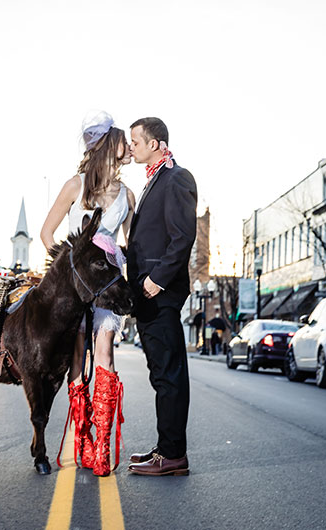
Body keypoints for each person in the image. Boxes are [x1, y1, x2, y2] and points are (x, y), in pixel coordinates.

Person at [40, 110, 136, 477]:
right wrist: (67, 268)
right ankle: (81, 438)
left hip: (109, 287)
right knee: (78, 357)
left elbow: (131, 243)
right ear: (108, 146)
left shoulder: (127, 195)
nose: (127, 147)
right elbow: (48, 233)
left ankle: (101, 445)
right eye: (122, 141)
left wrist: (124, 265)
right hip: (77, 288)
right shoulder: (75, 186)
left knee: (105, 350)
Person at [125, 117, 197, 477]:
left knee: (169, 374)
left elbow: (183, 237)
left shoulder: (176, 178)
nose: (131, 146)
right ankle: (165, 448)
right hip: (146, 293)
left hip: (160, 292)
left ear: (155, 143)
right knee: (160, 375)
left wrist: (157, 280)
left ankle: (173, 456)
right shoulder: (155, 179)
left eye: (135, 141)